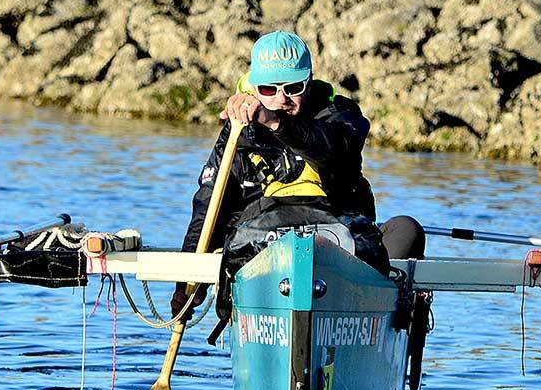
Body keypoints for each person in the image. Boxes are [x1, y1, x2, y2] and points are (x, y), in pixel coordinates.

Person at [173, 30, 425, 322]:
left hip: (338, 252)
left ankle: (389, 317)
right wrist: (188, 284)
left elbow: (333, 151)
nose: (282, 99)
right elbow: (209, 206)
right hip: (263, 262)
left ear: (309, 82)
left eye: (293, 87)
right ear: (254, 87)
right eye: (269, 90)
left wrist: (274, 123)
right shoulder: (236, 131)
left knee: (407, 230)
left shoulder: (340, 115)